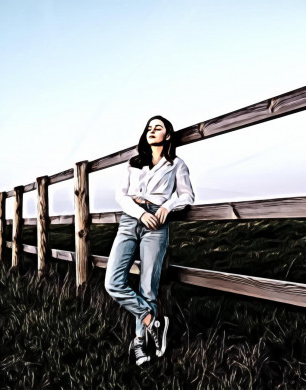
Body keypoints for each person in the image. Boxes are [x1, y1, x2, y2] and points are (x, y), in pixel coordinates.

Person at [104, 115, 195, 366]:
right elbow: (121, 196)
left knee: (148, 288)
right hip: (131, 219)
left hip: (157, 224)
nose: (152, 131)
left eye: (158, 128)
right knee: (113, 282)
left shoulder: (176, 164)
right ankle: (152, 321)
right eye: (149, 128)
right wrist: (140, 213)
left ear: (167, 136)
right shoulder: (135, 163)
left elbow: (187, 195)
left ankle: (139, 343)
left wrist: (168, 205)